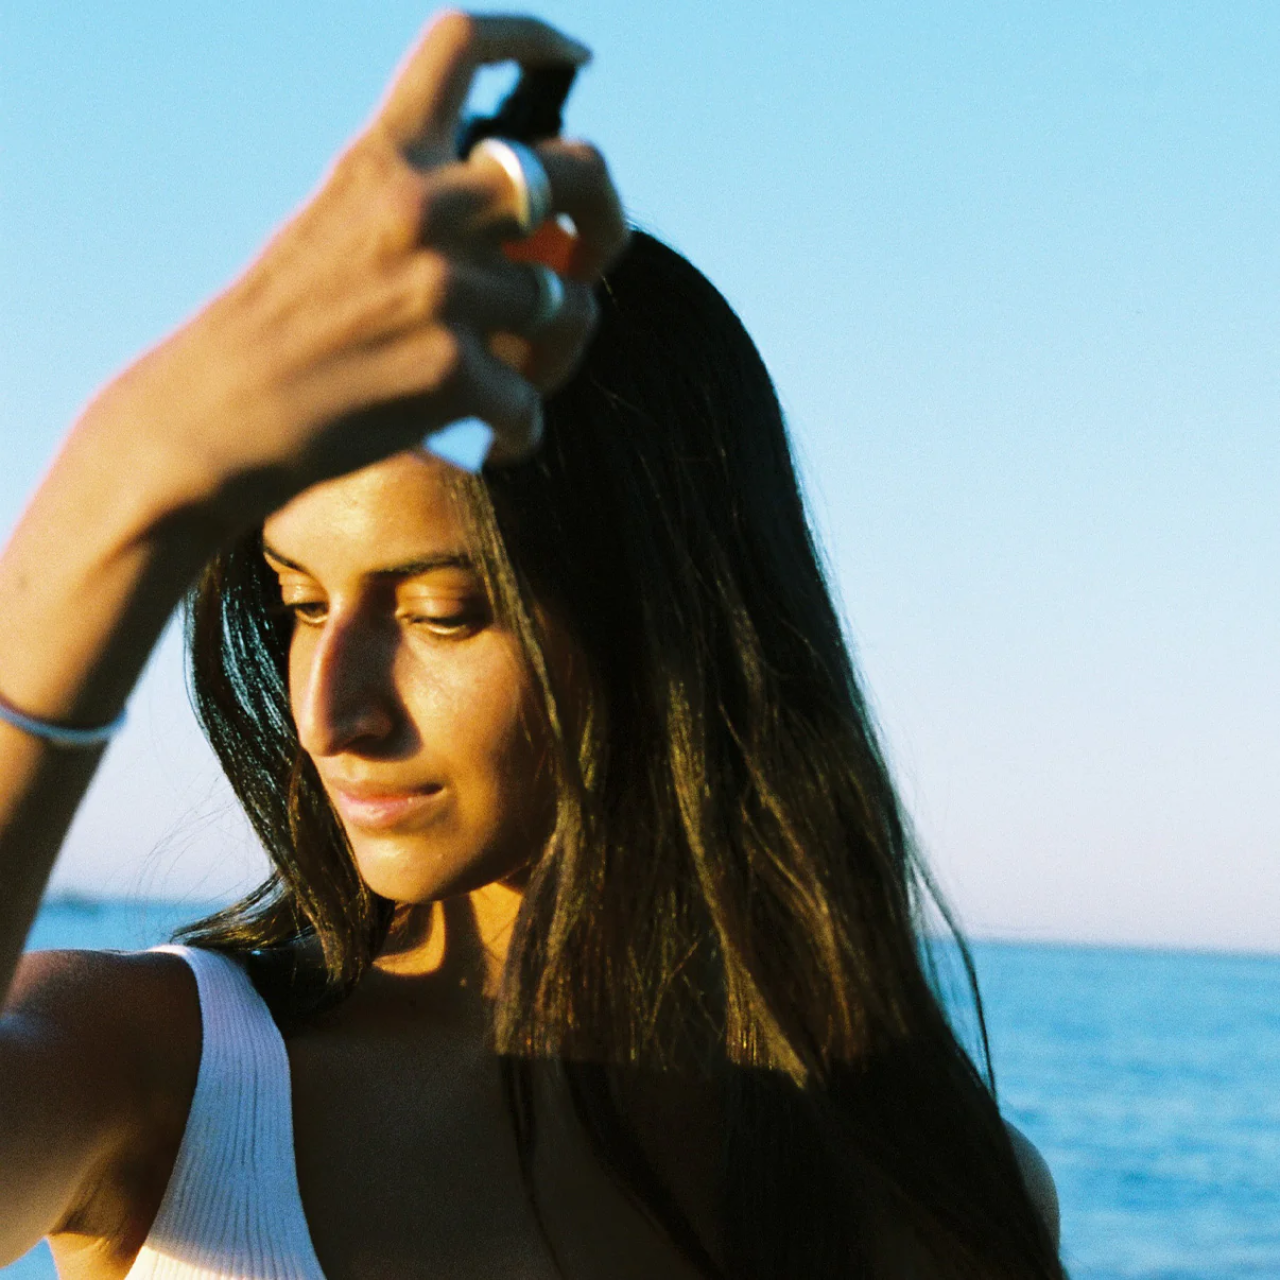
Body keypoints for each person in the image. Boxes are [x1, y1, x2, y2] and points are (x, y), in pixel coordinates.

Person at [0, 11, 1063, 1279]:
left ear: (660, 618)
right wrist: (134, 471)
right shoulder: (151, 1071)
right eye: (299, 602)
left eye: (441, 611)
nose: (333, 711)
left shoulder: (930, 1188)